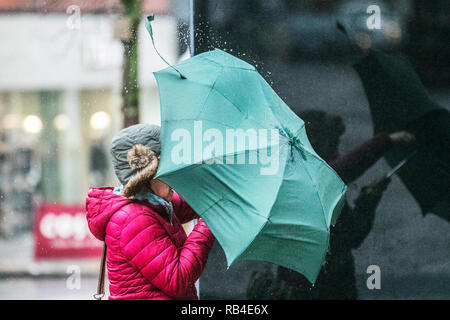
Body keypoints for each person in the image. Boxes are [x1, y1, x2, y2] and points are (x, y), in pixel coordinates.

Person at [276, 110, 415, 300]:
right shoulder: (315, 181)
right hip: (326, 288)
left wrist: (370, 196)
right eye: (334, 147)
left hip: (300, 286)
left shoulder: (285, 179)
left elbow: (350, 234)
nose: (338, 154)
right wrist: (386, 141)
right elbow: (344, 168)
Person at [86, 124, 215, 300]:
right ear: (147, 177)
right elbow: (177, 278)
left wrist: (216, 190)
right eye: (166, 171)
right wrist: (210, 221)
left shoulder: (152, 203)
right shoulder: (134, 219)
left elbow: (190, 203)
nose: (173, 178)